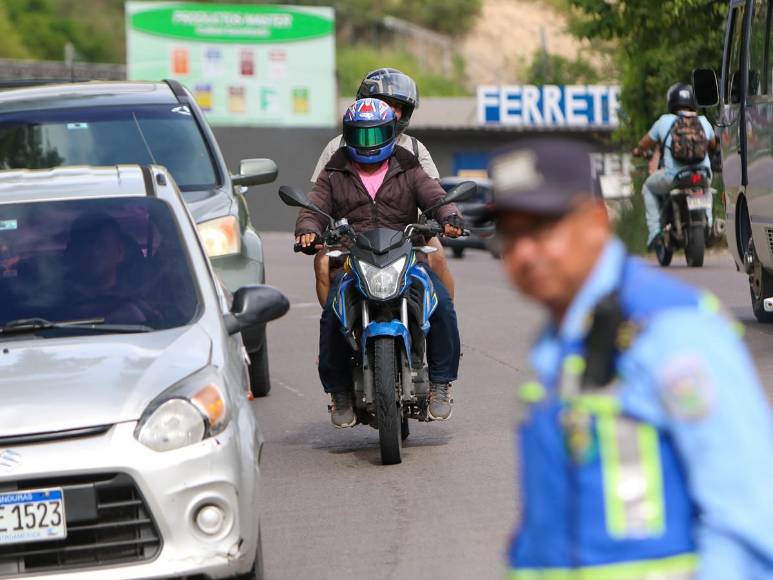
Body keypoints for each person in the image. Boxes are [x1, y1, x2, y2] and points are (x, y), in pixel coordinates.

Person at [485, 138, 773, 579]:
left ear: (596, 222)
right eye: (510, 234)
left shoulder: (672, 330)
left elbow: (749, 521)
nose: (523, 253)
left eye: (542, 229)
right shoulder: (558, 340)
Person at [295, 97, 463, 427]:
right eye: (360, 135)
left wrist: (449, 216)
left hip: (406, 255)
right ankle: (339, 392)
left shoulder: (409, 166)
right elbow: (313, 207)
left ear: (390, 133)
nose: (368, 144)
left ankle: (440, 385)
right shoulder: (335, 171)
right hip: (353, 258)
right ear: (348, 134)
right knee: (332, 314)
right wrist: (307, 229)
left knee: (441, 303)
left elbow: (435, 197)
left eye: (376, 135)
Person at [309, 68, 455, 306]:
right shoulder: (337, 148)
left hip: (408, 234)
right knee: (322, 263)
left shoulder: (415, 149)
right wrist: (312, 229)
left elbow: (433, 193)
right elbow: (318, 199)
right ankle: (334, 322)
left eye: (398, 107)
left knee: (437, 256)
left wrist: (446, 218)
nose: (391, 111)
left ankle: (442, 315)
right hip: (351, 235)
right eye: (384, 103)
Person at [633, 83, 718, 251]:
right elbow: (713, 145)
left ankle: (655, 233)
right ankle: (708, 224)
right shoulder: (703, 121)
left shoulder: (664, 121)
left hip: (675, 177)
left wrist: (638, 151)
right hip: (702, 174)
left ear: (671, 102)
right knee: (706, 189)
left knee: (648, 188)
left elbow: (645, 143)